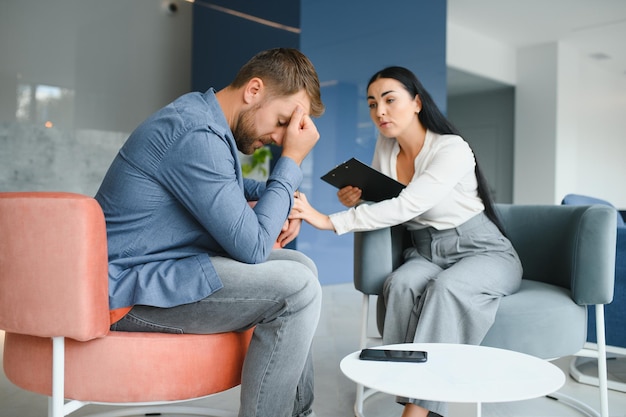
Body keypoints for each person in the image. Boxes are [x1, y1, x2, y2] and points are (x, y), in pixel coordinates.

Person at [94, 48, 324, 417]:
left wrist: (284, 198)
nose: (282, 138)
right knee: (298, 289)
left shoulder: (204, 120)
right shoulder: (194, 133)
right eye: (282, 121)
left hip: (161, 270)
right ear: (254, 90)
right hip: (128, 290)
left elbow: (227, 186)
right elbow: (253, 247)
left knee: (301, 265)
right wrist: (291, 162)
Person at [289, 66, 522, 417]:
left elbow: (409, 204)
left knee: (446, 289)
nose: (379, 111)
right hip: (427, 249)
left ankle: (418, 408)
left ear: (416, 103)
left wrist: (328, 221)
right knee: (398, 284)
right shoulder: (386, 148)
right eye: (371, 103)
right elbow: (387, 203)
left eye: (389, 99)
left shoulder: (452, 148)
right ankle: (402, 379)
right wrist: (358, 198)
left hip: (483, 250)